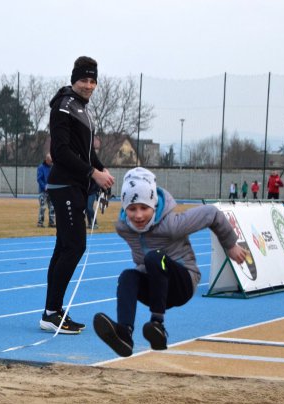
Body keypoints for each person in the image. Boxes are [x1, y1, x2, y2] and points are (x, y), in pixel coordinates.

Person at [93, 167, 246, 357]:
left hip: (182, 283)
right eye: (132, 209)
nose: (138, 216)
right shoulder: (124, 228)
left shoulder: (172, 224)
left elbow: (211, 214)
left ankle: (157, 326)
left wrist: (230, 245)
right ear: (125, 208)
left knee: (154, 258)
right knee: (127, 276)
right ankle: (124, 333)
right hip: (156, 288)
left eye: (144, 208)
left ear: (154, 206)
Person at [40, 56, 115, 334]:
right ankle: (51, 313)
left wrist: (100, 168)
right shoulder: (63, 106)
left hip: (75, 186)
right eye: (84, 79)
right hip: (65, 186)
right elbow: (60, 152)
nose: (89, 85)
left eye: (93, 80)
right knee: (74, 246)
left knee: (64, 247)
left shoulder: (82, 108)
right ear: (74, 79)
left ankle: (53, 310)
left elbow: (85, 151)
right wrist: (92, 174)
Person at [36, 154, 55, 228]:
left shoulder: (53, 167)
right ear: (47, 160)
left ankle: (51, 222)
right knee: (43, 207)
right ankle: (40, 223)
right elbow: (39, 179)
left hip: (52, 191)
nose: (51, 163)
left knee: (52, 207)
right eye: (50, 161)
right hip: (43, 191)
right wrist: (44, 186)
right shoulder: (41, 167)